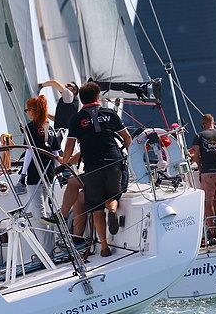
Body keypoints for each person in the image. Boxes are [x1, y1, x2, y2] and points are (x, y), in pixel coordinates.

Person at [62, 82, 132, 257]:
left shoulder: (76, 119)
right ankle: (114, 210)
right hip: (113, 162)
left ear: (81, 99)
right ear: (98, 97)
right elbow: (128, 139)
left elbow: (70, 145)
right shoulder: (110, 114)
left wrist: (64, 161)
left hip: (92, 167)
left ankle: (104, 247)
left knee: (96, 208)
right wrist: (129, 157)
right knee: (112, 197)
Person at [21, 95, 61, 222]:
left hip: (35, 172)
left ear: (33, 111)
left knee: (39, 213)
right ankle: (49, 240)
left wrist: (23, 174)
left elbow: (29, 152)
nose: (27, 113)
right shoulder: (50, 128)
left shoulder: (30, 127)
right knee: (45, 209)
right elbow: (55, 153)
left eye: (27, 110)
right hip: (49, 173)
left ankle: (44, 240)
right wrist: (56, 171)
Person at [190, 114, 216, 233]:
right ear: (213, 122)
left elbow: (196, 156)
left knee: (208, 203)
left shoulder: (199, 135)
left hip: (207, 172)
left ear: (203, 123)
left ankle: (212, 231)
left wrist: (200, 168)